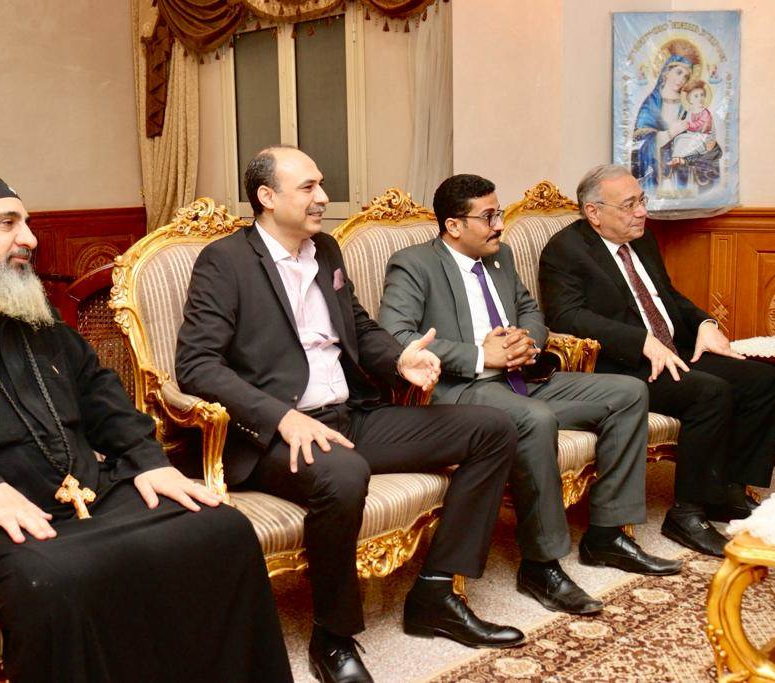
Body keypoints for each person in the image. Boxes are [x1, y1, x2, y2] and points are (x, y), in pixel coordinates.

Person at [0, 170, 292, 683]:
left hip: (87, 492)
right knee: (55, 580)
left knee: (222, 529)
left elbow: (99, 391)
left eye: (27, 223)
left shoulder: (28, 306)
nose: (30, 238)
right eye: (8, 223)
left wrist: (149, 461)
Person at [176, 146, 524, 683]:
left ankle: (436, 594)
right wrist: (281, 418)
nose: (323, 196)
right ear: (267, 197)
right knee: (343, 473)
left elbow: (358, 327)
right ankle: (333, 635)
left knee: (494, 429)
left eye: (321, 184)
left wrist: (401, 360)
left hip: (351, 414)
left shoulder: (326, 249)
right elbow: (196, 365)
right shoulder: (226, 261)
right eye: (308, 187)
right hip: (278, 436)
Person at [378, 174, 681, 616]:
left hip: (525, 378)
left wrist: (527, 342)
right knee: (535, 419)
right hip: (465, 389)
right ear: (454, 225)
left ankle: (608, 535)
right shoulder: (414, 264)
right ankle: (541, 565)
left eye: (499, 213)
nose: (500, 225)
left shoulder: (501, 256)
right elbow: (397, 337)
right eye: (489, 217)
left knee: (629, 393)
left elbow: (529, 310)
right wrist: (480, 355)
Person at [538, 164, 775, 558]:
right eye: (629, 205)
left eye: (642, 201)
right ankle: (687, 513)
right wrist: (640, 341)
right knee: (709, 393)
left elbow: (666, 296)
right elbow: (567, 317)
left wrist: (704, 323)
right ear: (594, 212)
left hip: (671, 350)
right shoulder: (566, 250)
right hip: (623, 365)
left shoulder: (641, 239)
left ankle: (728, 490)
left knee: (765, 380)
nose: (642, 212)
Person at [631, 41, 721, 196]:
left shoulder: (689, 105)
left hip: (684, 175)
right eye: (678, 72)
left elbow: (704, 137)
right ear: (666, 72)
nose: (682, 80)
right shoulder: (651, 105)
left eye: (686, 76)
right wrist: (669, 134)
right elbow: (639, 141)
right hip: (658, 176)